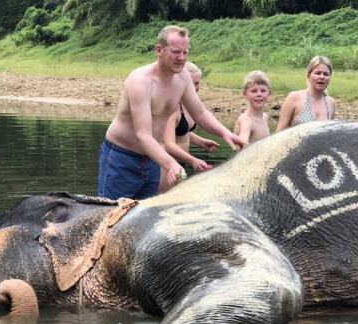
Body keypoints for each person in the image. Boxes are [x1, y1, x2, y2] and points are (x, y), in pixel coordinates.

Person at [97, 25, 245, 200]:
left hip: (152, 159)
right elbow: (143, 135)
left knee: (144, 218)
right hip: (122, 158)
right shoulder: (141, 81)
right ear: (159, 50)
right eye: (176, 52)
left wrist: (225, 132)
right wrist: (172, 164)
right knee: (110, 216)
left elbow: (200, 112)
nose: (181, 58)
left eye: (185, 52)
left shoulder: (182, 78)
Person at [159, 62, 220, 193]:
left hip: (181, 164)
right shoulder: (172, 107)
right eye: (191, 83)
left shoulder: (188, 105)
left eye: (197, 83)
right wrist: (194, 160)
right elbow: (169, 144)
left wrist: (201, 142)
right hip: (166, 167)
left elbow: (181, 131)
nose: (194, 88)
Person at [276, 55, 336, 132]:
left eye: (326, 74)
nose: (322, 77)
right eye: (317, 73)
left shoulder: (331, 103)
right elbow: (279, 132)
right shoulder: (294, 98)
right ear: (308, 75)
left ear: (330, 77)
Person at [233, 70, 272, 147]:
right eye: (254, 91)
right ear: (245, 94)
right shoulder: (246, 121)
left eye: (263, 90)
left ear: (269, 93)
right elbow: (243, 147)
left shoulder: (265, 117)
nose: (259, 94)